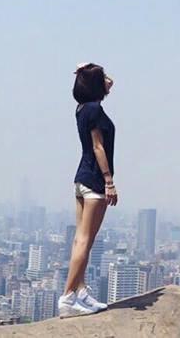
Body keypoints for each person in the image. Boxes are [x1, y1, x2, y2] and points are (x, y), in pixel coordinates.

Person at [58, 62, 119, 317]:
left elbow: (110, 83)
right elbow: (98, 147)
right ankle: (68, 297)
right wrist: (109, 181)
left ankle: (81, 292)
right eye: (101, 78)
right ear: (96, 85)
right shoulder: (94, 110)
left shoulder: (82, 108)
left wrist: (87, 69)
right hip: (94, 180)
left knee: (82, 240)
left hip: (81, 180)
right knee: (85, 240)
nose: (108, 81)